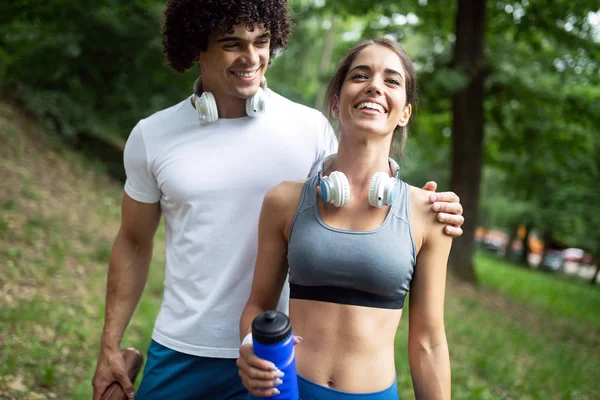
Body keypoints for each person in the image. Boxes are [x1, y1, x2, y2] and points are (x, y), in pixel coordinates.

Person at [91, 1, 464, 399]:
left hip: (276, 358)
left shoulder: (310, 129)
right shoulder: (153, 136)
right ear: (196, 45)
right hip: (184, 349)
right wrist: (110, 343)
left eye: (262, 41)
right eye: (232, 43)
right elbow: (133, 241)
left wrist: (417, 203)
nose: (251, 57)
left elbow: (360, 166)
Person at [238, 37, 452, 400]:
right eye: (360, 75)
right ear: (336, 104)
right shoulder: (284, 200)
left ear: (404, 113)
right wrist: (248, 346)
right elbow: (258, 305)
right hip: (285, 391)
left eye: (391, 80)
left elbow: (428, 342)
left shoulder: (427, 213)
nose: (374, 86)